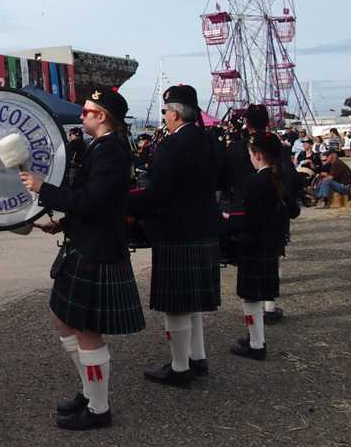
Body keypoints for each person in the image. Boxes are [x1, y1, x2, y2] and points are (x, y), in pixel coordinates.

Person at [21, 87, 144, 430]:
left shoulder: (111, 152)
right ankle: (90, 392)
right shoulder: (103, 147)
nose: (82, 115)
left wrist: (42, 187)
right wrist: (63, 221)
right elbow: (94, 202)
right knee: (62, 318)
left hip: (98, 249)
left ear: (102, 116)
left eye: (87, 111)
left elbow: (93, 199)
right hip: (86, 240)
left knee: (85, 329)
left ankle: (98, 408)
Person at [128, 85, 221, 387]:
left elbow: (159, 192)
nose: (165, 117)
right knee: (191, 301)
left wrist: (128, 205)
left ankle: (180, 368)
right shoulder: (212, 141)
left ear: (177, 113)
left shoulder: (170, 146)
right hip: (204, 226)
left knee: (177, 304)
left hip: (175, 230)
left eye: (166, 111)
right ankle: (198, 357)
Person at [223, 132, 288, 360]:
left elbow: (248, 220)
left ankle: (256, 343)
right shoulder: (278, 178)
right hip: (271, 244)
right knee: (259, 295)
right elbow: (293, 210)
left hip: (253, 245)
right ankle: (256, 340)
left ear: (257, 155)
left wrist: (228, 219)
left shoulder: (254, 182)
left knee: (250, 297)